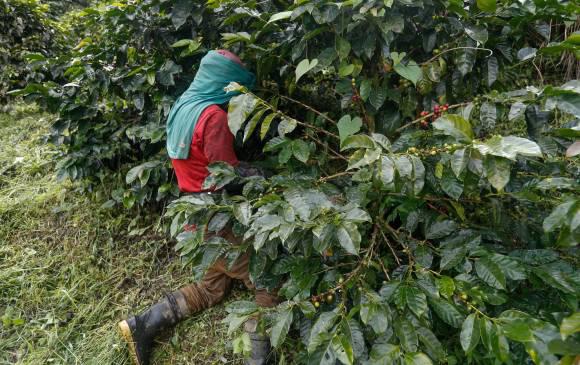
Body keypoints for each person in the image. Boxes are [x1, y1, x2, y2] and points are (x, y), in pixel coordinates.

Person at [118, 50, 278, 365]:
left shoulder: (184, 105)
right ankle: (260, 358)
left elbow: (200, 163)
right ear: (224, 83)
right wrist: (258, 175)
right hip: (219, 220)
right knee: (270, 282)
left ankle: (141, 326)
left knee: (209, 288)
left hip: (194, 218)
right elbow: (224, 175)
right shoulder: (213, 116)